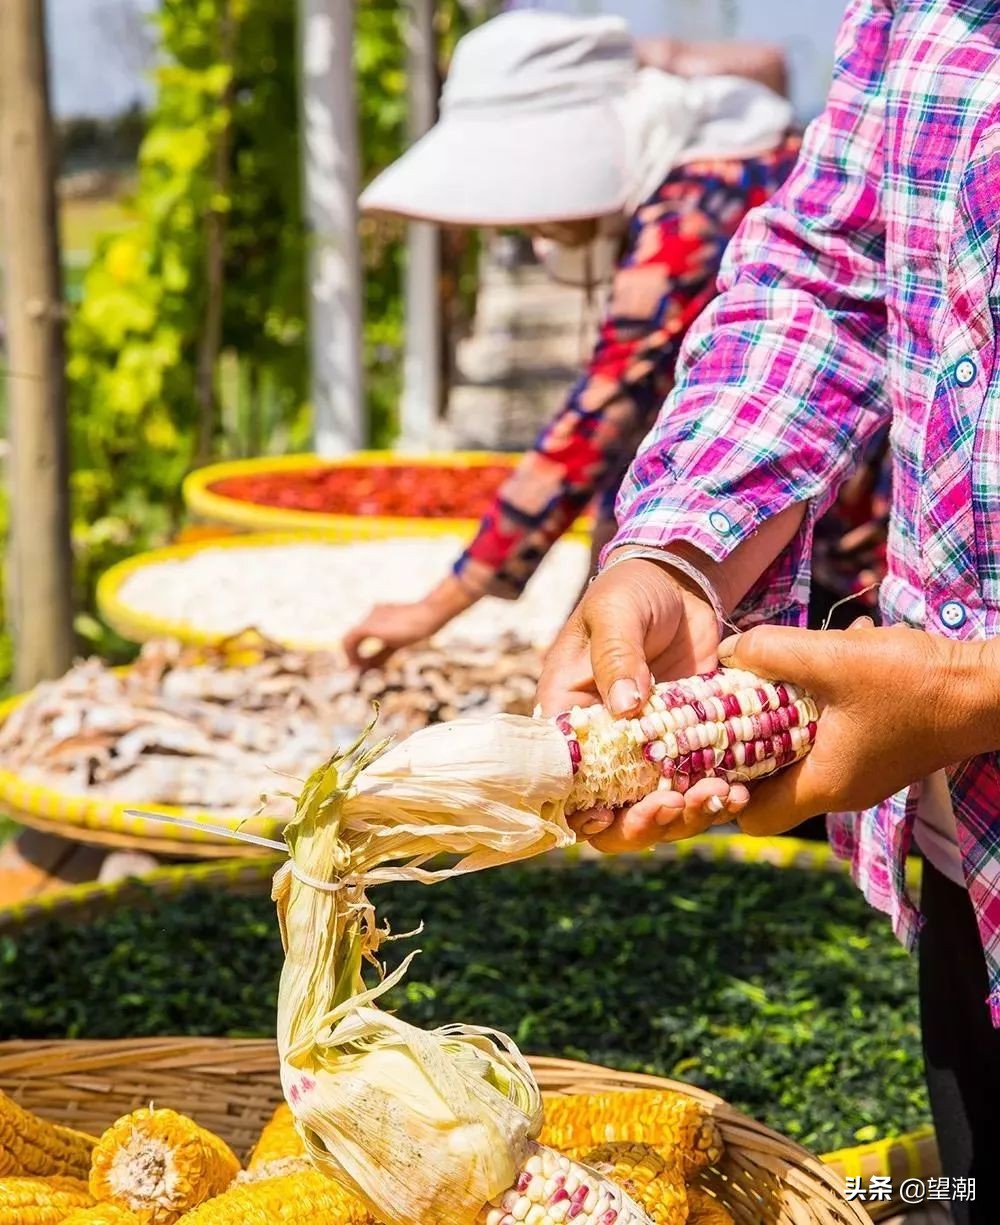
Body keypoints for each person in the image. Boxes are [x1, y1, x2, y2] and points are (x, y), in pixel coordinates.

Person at [536, 1, 1000, 1219]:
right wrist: (681, 551)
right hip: (972, 866)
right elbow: (826, 275)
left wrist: (968, 693)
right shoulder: (915, 11)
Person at [343, 11, 888, 668]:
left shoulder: (700, 203)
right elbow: (646, 425)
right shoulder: (702, 166)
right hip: (790, 509)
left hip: (845, 527)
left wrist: (439, 604)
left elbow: (604, 410)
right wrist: (607, 599)